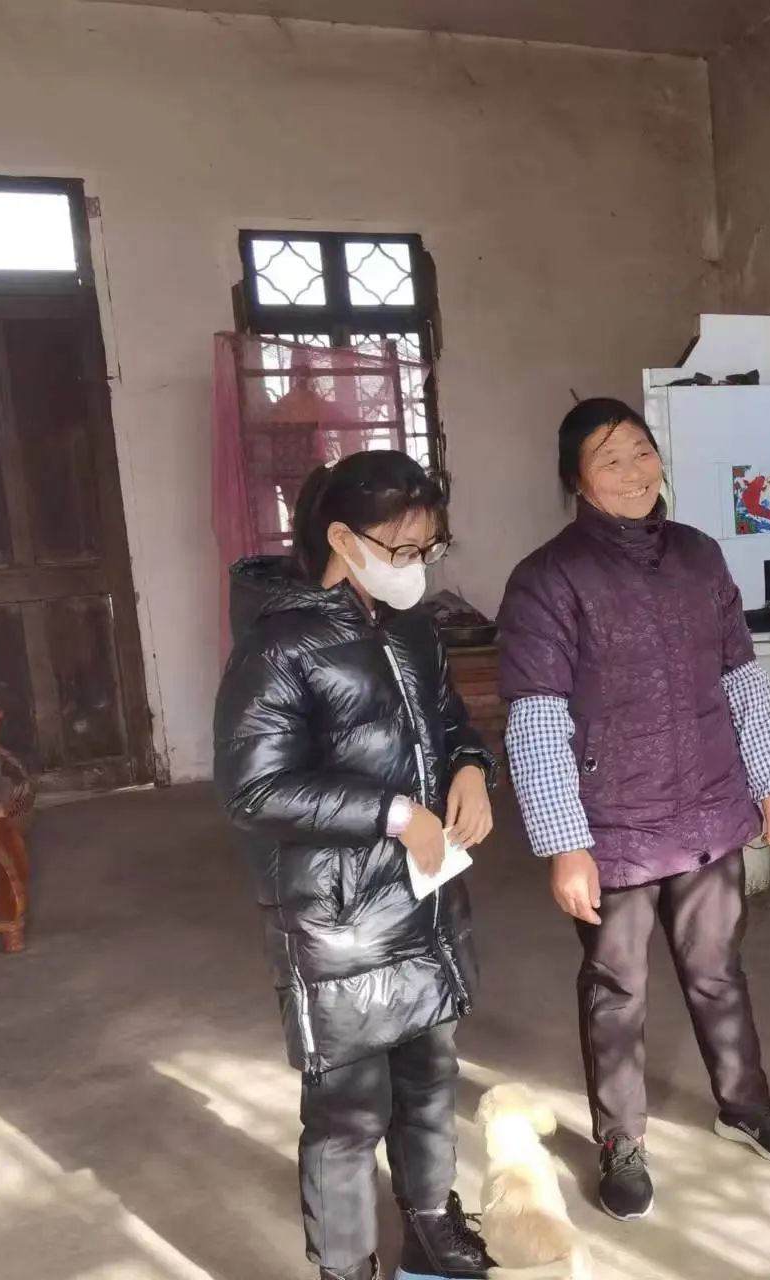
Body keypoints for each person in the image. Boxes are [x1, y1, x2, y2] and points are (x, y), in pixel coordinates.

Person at [498, 397, 770, 1223]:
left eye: (641, 451)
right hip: (614, 824)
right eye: (610, 459)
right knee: (617, 988)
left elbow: (741, 677)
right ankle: (622, 1142)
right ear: (576, 480)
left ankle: (744, 1105)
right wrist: (564, 843)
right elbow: (535, 716)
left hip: (709, 805)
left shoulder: (700, 556)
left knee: (718, 969)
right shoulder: (548, 578)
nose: (634, 471)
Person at [214, 451, 497, 1280]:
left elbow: (449, 721)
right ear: (342, 538)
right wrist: (395, 814)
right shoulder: (279, 647)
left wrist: (471, 768)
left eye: (429, 549)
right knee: (347, 1111)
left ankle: (432, 1226)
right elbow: (253, 788)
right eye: (402, 549)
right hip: (337, 917)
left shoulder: (410, 626)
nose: (418, 566)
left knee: (431, 1078)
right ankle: (346, 1266)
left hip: (424, 897)